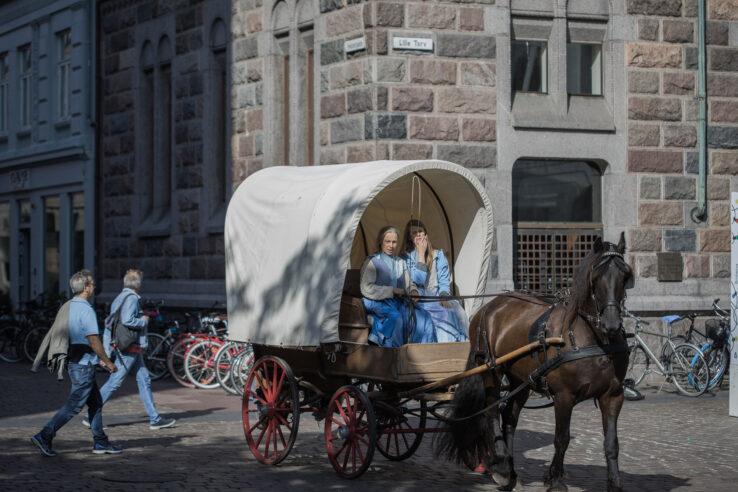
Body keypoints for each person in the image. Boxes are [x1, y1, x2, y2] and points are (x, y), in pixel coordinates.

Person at [31, 270, 122, 456]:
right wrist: (108, 362)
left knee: (95, 402)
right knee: (74, 405)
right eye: (93, 284)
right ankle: (45, 435)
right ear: (86, 288)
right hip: (83, 364)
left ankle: (100, 442)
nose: (95, 287)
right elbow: (93, 340)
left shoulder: (68, 306)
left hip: (75, 362)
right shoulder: (86, 309)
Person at [92, 269, 175, 430]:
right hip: (129, 347)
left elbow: (111, 324)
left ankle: (154, 418)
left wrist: (108, 349)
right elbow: (128, 320)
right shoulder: (131, 299)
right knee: (115, 382)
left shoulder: (120, 298)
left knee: (144, 380)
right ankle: (91, 414)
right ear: (138, 284)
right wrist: (143, 320)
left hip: (129, 347)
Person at [360, 226, 435, 347]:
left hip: (397, 302)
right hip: (377, 302)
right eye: (387, 241)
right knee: (398, 319)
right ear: (381, 242)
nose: (391, 245)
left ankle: (424, 352)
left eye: (394, 242)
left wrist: (414, 291)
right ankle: (395, 353)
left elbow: (409, 284)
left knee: (424, 317)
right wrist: (392, 290)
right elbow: (366, 288)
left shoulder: (400, 262)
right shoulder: (372, 262)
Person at [401, 220, 469, 343]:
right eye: (414, 233)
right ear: (409, 237)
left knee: (458, 313)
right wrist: (421, 254)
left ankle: (465, 343)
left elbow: (444, 280)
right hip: (419, 299)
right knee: (443, 315)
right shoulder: (406, 257)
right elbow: (418, 279)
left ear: (426, 234)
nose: (418, 235)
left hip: (438, 296)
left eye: (420, 231)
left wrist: (443, 296)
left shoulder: (438, 254)